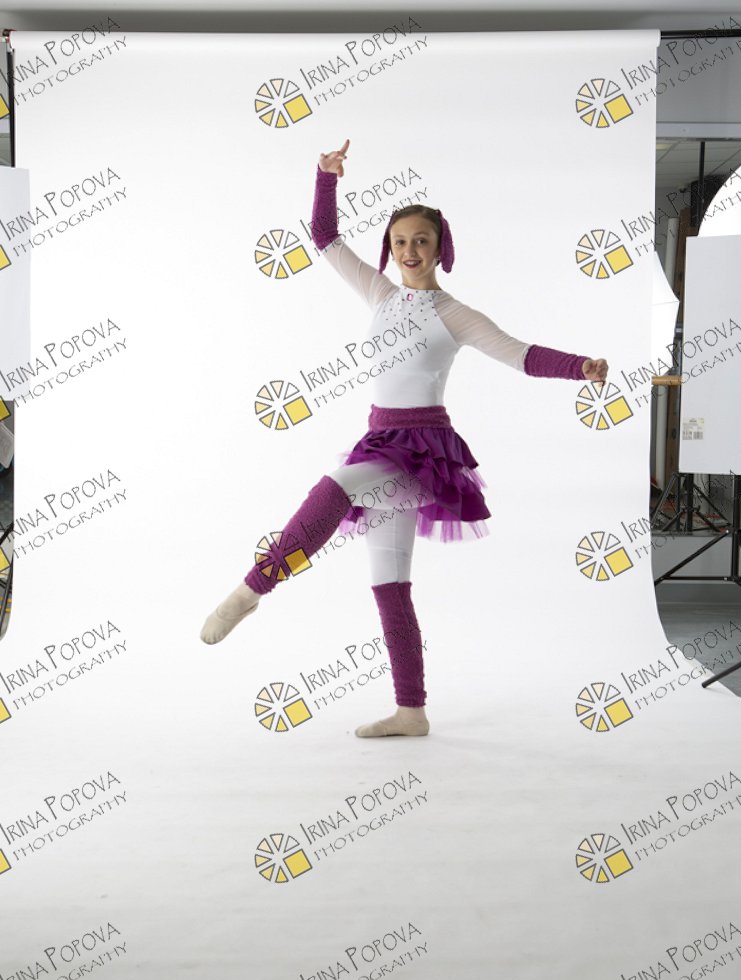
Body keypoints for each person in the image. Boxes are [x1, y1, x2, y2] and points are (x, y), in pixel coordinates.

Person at [201, 138, 608, 738]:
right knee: (389, 587)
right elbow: (324, 237)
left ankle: (251, 589)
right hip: (379, 439)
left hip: (421, 452)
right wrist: (326, 177)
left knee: (335, 487)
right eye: (399, 242)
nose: (410, 251)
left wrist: (580, 368)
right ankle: (412, 711)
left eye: (421, 241)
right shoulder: (380, 294)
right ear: (389, 250)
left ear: (441, 247)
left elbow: (519, 354)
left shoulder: (454, 313)